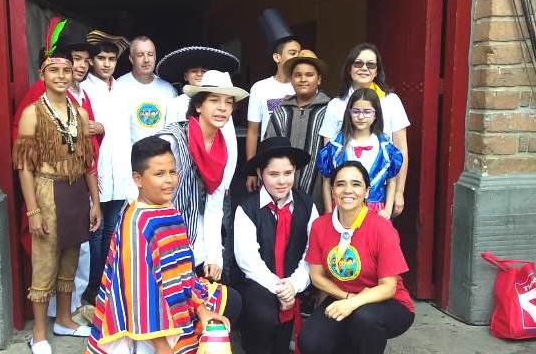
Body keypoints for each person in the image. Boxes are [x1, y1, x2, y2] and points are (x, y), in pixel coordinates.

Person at [86, 136, 240, 354]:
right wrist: (163, 349)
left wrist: (201, 310)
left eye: (172, 172)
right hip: (147, 326)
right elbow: (139, 295)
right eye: (159, 174)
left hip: (175, 301)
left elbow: (184, 274)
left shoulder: (168, 210)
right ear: (138, 179)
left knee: (231, 301)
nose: (169, 180)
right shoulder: (137, 223)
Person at [13, 50, 101, 354]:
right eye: (54, 70)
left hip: (77, 193)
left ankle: (64, 319)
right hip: (48, 192)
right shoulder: (32, 114)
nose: (62, 75)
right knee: (45, 263)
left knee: (70, 261)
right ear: (43, 75)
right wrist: (33, 210)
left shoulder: (81, 114)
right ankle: (38, 332)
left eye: (66, 69)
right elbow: (24, 167)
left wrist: (96, 202)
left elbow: (89, 162)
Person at [298, 161, 414, 354]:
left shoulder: (382, 228)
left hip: (388, 303)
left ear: (367, 192)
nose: (348, 190)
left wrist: (353, 303)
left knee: (363, 318)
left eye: (356, 184)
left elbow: (388, 287)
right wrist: (347, 298)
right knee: (311, 342)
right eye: (341, 184)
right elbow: (317, 275)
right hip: (342, 296)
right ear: (333, 190)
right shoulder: (320, 225)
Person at [156, 46, 241, 280]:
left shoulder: (221, 147)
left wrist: (215, 255)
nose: (222, 108)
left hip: (197, 235)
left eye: (228, 102)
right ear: (198, 105)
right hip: (160, 240)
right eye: (214, 100)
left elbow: (213, 205)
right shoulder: (171, 141)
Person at [234, 137, 319, 354]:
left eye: (288, 173)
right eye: (273, 174)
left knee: (281, 346)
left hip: (294, 282)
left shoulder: (307, 205)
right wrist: (280, 289)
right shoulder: (247, 208)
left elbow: (313, 252)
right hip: (259, 283)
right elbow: (248, 261)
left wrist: (293, 285)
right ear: (261, 173)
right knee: (263, 317)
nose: (282, 181)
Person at [318, 43, 410, 217]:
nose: (364, 68)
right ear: (349, 68)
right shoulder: (335, 105)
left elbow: (401, 149)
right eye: (358, 63)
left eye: (371, 64)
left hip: (379, 199)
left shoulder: (391, 101)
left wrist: (399, 192)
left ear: (377, 71)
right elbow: (329, 158)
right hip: (343, 199)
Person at [81, 36, 135, 305]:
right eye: (101, 58)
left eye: (111, 59)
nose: (106, 64)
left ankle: (106, 286)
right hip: (97, 174)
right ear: (91, 61)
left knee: (114, 230)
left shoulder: (122, 90)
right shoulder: (83, 90)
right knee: (95, 232)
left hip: (121, 173)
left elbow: (128, 133)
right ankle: (91, 288)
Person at [317, 88, 403, 218]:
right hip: (342, 209)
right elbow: (326, 181)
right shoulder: (336, 147)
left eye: (367, 112)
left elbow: (392, 181)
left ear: (376, 115)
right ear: (349, 113)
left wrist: (388, 210)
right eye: (356, 111)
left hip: (375, 211)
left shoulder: (386, 148)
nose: (361, 116)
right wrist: (329, 212)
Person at [264, 49, 330, 209]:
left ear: (319, 79)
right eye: (297, 75)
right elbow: (269, 149)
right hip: (281, 189)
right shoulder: (280, 110)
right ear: (291, 79)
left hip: (318, 190)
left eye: (309, 75)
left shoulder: (330, 109)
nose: (303, 79)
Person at [245, 8, 301, 192]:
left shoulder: (302, 87)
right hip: (269, 163)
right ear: (277, 57)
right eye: (293, 53)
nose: (297, 58)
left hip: (297, 160)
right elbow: (253, 132)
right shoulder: (260, 88)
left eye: (299, 53)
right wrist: (251, 170)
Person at [117, 36, 178, 143]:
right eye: (140, 55)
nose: (146, 60)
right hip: (130, 157)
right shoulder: (119, 87)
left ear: (155, 57)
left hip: (162, 156)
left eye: (150, 54)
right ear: (131, 59)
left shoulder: (168, 89)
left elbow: (173, 130)